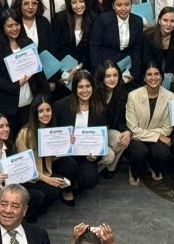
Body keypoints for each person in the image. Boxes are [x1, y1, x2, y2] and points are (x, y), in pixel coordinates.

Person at [53, 70, 108, 201]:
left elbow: (101, 137)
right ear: (75, 88)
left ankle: (74, 183)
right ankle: (67, 189)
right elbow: (54, 132)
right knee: (69, 167)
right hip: (66, 153)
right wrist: (63, 139)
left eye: (88, 86)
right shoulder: (61, 105)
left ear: (92, 87)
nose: (85, 90)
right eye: (80, 87)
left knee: (90, 180)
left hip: (85, 155)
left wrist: (95, 156)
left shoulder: (99, 107)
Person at [15, 94, 73, 216]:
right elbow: (26, 168)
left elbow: (51, 157)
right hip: (30, 178)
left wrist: (66, 144)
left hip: (45, 170)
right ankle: (31, 213)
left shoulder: (50, 129)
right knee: (52, 191)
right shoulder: (24, 134)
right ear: (35, 113)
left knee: (70, 165)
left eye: (48, 110)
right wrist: (48, 180)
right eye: (40, 111)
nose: (45, 114)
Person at [0, 12, 48, 134]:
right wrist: (17, 84)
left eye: (17, 24)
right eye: (9, 26)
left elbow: (39, 72)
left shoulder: (27, 43)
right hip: (8, 105)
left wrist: (45, 95)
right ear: (2, 27)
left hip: (30, 102)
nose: (14, 29)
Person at [125, 61, 174, 184]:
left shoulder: (170, 96)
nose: (153, 78)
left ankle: (154, 166)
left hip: (152, 139)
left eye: (156, 74)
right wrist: (157, 136)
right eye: (149, 74)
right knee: (139, 152)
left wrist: (148, 134)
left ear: (161, 76)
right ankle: (134, 170)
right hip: (138, 139)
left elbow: (167, 128)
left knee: (163, 153)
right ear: (144, 77)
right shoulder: (133, 96)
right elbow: (132, 128)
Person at [89, 0, 144, 82]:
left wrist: (134, 73)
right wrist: (100, 72)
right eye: (119, 5)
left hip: (126, 70)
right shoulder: (103, 20)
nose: (123, 8)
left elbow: (137, 50)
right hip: (105, 68)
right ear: (113, 6)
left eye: (127, 4)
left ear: (132, 5)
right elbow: (94, 47)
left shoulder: (137, 21)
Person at [93, 60, 131, 177]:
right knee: (109, 155)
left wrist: (126, 131)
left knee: (123, 139)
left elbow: (120, 120)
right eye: (108, 76)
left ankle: (109, 169)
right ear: (101, 78)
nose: (112, 79)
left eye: (115, 75)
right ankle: (94, 172)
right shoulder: (94, 93)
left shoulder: (121, 92)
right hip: (94, 133)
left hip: (108, 130)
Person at [143, 7, 174, 80]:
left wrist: (173, 74)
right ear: (159, 20)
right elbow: (147, 61)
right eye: (165, 20)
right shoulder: (148, 37)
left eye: (172, 21)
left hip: (168, 75)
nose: (169, 24)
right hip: (151, 74)